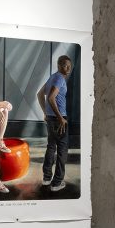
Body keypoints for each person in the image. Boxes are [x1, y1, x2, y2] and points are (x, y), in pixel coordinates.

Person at [37, 55, 73, 192]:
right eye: (64, 65)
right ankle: (57, 183)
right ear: (58, 65)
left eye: (69, 65)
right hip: (59, 119)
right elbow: (51, 98)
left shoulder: (52, 77)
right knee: (62, 149)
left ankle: (47, 178)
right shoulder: (59, 78)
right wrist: (60, 118)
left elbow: (39, 94)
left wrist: (46, 113)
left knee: (51, 147)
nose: (68, 68)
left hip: (51, 119)